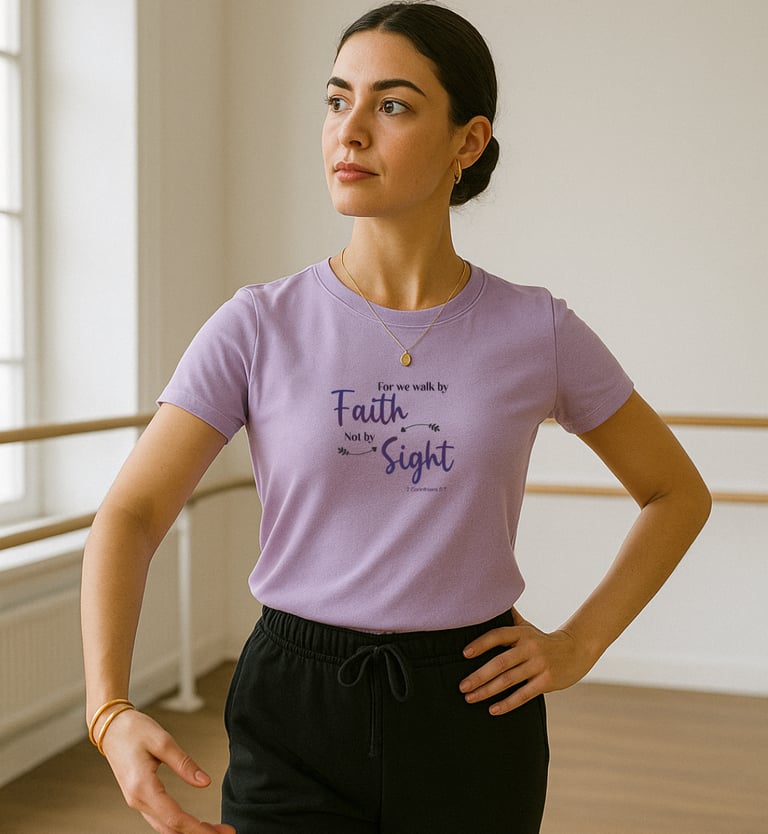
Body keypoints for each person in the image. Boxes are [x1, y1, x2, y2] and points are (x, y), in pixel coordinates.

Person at [80, 3, 712, 833]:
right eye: (338, 100)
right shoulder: (257, 324)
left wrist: (579, 644)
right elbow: (131, 512)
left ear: (468, 141)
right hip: (294, 702)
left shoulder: (537, 329)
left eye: (393, 105)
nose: (351, 130)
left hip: (471, 703)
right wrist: (109, 709)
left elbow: (676, 492)